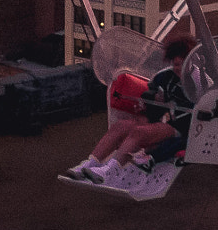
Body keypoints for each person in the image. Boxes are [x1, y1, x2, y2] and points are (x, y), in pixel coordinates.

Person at [63, 36, 196, 183]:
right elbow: (150, 100)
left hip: (181, 127)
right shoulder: (165, 76)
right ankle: (90, 164)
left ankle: (110, 170)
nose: (177, 69)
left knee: (139, 132)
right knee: (121, 126)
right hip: (161, 119)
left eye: (181, 64)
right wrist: (148, 103)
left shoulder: (198, 80)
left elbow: (203, 109)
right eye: (175, 64)